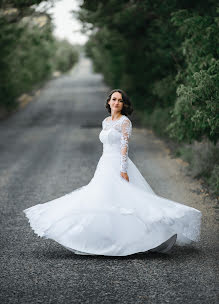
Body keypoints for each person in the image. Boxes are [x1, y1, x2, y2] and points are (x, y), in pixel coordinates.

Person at [23, 89, 202, 256]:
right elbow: (105, 147)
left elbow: (124, 146)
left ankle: (135, 239)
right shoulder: (106, 121)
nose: (116, 102)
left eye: (120, 100)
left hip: (118, 163)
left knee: (125, 202)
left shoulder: (125, 122)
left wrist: (123, 170)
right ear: (108, 102)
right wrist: (102, 165)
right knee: (101, 200)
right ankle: (101, 239)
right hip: (105, 164)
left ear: (124, 104)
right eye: (114, 99)